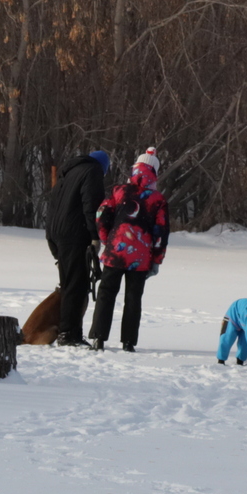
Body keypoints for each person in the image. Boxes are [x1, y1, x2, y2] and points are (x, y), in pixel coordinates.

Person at [89, 150, 169, 352]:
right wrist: (157, 259)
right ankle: (128, 342)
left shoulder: (119, 190)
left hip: (115, 252)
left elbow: (101, 215)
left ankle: (98, 338)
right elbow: (161, 232)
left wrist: (108, 239)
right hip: (140, 258)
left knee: (106, 294)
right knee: (133, 298)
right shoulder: (157, 199)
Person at [44, 150, 108, 346]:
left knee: (68, 283)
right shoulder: (93, 171)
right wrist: (95, 236)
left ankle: (67, 329)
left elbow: (53, 207)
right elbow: (92, 206)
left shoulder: (67, 173)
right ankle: (69, 334)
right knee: (76, 285)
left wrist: (51, 238)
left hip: (57, 233)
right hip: (75, 235)